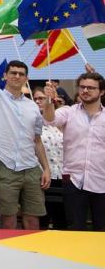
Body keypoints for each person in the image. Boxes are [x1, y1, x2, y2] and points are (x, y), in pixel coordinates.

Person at [0, 43, 50, 231]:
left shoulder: (33, 106)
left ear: (26, 78)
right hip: (6, 166)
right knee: (8, 219)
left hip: (31, 167)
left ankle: (34, 255)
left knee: (33, 220)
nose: (17, 76)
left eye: (21, 73)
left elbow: (37, 140)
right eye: (13, 72)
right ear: (5, 76)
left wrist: (47, 169)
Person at [43, 70, 105, 230]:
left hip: (102, 180)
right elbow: (50, 120)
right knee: (75, 229)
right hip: (73, 181)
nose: (85, 90)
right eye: (82, 87)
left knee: (102, 230)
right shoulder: (68, 112)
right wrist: (49, 100)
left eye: (91, 88)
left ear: (102, 91)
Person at [32, 85, 66, 229]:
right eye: (35, 99)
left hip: (62, 176)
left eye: (42, 98)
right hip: (42, 177)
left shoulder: (60, 120)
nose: (38, 101)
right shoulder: (32, 121)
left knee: (62, 218)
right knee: (43, 219)